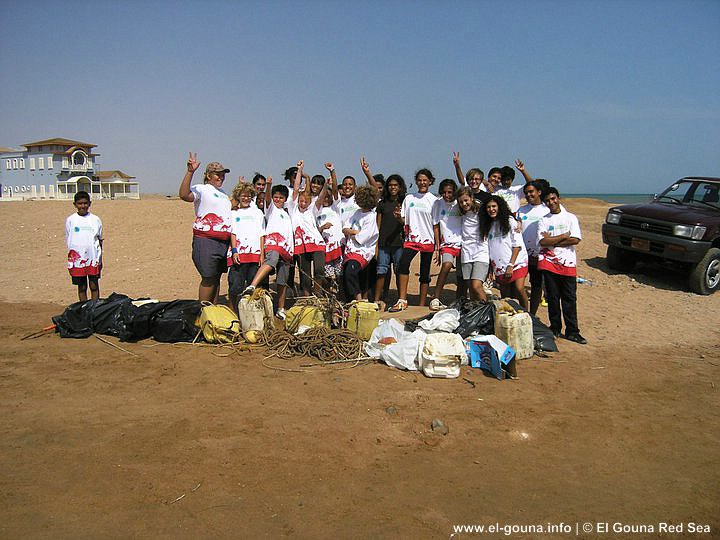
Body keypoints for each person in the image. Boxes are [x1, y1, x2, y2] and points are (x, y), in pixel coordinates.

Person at [179, 153, 232, 303]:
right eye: (217, 174)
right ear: (208, 175)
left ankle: (213, 311)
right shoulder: (202, 189)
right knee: (208, 277)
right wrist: (190, 172)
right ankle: (203, 310)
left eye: (223, 174)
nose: (221, 177)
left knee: (216, 278)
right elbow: (184, 195)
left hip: (223, 241)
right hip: (207, 240)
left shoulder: (223, 194)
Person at [537, 187, 586, 344]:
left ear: (558, 198)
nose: (551, 202)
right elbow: (543, 242)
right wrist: (564, 236)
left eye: (553, 199)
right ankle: (555, 327)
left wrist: (554, 239)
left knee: (569, 298)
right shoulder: (544, 220)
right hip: (549, 263)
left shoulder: (570, 218)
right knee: (552, 297)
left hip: (568, 263)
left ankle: (572, 331)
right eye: (547, 201)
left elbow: (575, 239)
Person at [242, 177, 293, 319]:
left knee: (282, 280)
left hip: (287, 248)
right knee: (271, 259)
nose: (277, 199)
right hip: (273, 243)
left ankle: (280, 308)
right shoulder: (271, 209)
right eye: (276, 197)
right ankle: (252, 285)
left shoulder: (287, 214)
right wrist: (269, 185)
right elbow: (268, 199)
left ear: (285, 199)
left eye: (281, 198)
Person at [389, 168, 438, 311]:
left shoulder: (434, 200)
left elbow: (436, 224)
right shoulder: (409, 198)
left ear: (430, 182)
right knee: (403, 265)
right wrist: (398, 217)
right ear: (416, 181)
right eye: (420, 180)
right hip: (411, 239)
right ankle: (402, 299)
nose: (422, 183)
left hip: (428, 240)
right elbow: (403, 220)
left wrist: (437, 245)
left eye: (425, 180)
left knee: (424, 272)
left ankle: (421, 304)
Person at [362, 159, 405, 306]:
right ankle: (377, 300)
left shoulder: (404, 201)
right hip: (384, 243)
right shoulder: (382, 203)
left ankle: (401, 299)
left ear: (400, 187)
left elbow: (407, 224)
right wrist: (376, 245)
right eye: (391, 185)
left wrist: (400, 219)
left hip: (399, 243)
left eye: (396, 185)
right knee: (381, 271)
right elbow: (378, 226)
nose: (393, 187)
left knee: (399, 271)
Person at [480, 195, 529, 310]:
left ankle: (528, 314)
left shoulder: (510, 221)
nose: (491, 209)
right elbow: (491, 248)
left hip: (516, 262)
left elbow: (517, 245)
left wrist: (511, 265)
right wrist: (490, 269)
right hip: (499, 266)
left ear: (499, 207)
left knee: (519, 288)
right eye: (488, 207)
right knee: (506, 297)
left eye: (494, 206)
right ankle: (513, 318)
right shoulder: (488, 225)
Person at [289, 160, 328, 296]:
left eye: (306, 201)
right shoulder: (293, 208)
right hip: (301, 245)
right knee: (305, 275)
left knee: (319, 270)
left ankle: (317, 294)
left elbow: (322, 196)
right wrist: (300, 170)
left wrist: (327, 183)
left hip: (316, 243)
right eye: (301, 201)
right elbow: (295, 189)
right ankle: (307, 298)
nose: (303, 203)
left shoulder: (313, 208)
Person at [227, 182, 265, 313]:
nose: (246, 198)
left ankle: (250, 313)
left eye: (248, 196)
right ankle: (232, 311)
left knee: (252, 286)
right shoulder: (233, 213)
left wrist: (261, 255)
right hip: (239, 254)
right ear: (238, 197)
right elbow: (233, 232)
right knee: (235, 286)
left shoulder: (258, 213)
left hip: (255, 254)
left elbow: (261, 234)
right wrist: (234, 251)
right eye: (243, 196)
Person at [342, 185, 380, 301]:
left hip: (363, 252)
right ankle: (352, 299)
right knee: (346, 275)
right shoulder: (356, 212)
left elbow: (362, 238)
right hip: (350, 250)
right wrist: (354, 232)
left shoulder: (371, 217)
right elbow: (344, 228)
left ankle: (358, 298)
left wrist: (351, 232)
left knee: (351, 272)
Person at [429, 179, 462, 310]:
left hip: (463, 242)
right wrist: (437, 246)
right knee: (447, 265)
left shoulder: (460, 203)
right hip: (447, 242)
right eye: (444, 192)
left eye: (449, 192)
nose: (447, 195)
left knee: (461, 275)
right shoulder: (438, 203)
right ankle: (436, 297)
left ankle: (460, 300)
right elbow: (436, 225)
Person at [517, 181, 549, 315]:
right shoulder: (521, 210)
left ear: (539, 192)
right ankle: (522, 310)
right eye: (526, 193)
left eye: (531, 192)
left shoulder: (546, 210)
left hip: (539, 254)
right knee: (518, 286)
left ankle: (532, 314)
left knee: (536, 286)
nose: (528, 195)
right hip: (522, 254)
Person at [65, 190, 103, 301]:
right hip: (77, 259)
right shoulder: (71, 220)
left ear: (89, 204)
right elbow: (69, 237)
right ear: (75, 205)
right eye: (80, 203)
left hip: (93, 258)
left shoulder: (95, 219)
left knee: (94, 285)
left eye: (85, 203)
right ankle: (83, 310)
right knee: (81, 287)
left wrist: (100, 259)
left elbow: (99, 239)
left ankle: (95, 309)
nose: (83, 206)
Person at [456, 186, 489, 301]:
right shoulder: (461, 214)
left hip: (481, 251)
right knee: (470, 287)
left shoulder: (482, 211)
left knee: (477, 285)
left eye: (466, 200)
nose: (464, 204)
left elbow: (499, 214)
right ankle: (476, 312)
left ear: (472, 198)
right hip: (466, 252)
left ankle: (486, 312)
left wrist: (517, 222)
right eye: (461, 202)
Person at [316, 163, 344, 292]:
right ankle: (327, 295)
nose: (326, 199)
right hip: (324, 247)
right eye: (324, 197)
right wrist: (322, 228)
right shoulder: (316, 210)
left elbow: (334, 189)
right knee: (326, 274)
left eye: (328, 197)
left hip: (337, 245)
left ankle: (340, 295)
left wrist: (332, 171)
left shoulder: (336, 207)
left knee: (339, 274)